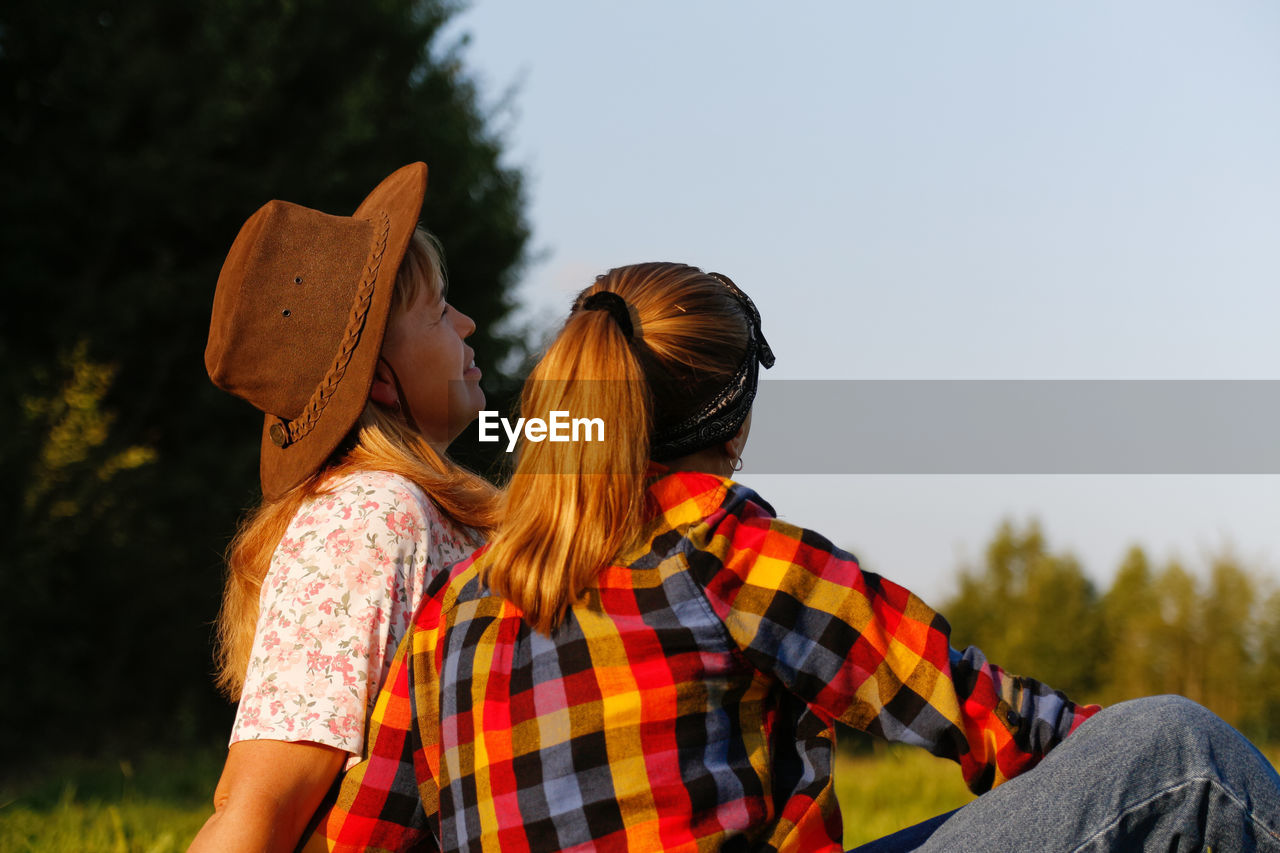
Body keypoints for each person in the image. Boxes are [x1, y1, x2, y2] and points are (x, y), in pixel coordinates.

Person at [303, 262, 1280, 852]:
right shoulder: (720, 544)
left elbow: (358, 842)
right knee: (1179, 751)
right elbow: (982, 716)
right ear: (728, 425)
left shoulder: (445, 615)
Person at [189, 163, 499, 852]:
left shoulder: (416, 507)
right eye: (439, 309)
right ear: (381, 379)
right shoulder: (367, 516)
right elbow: (257, 805)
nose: (467, 322)